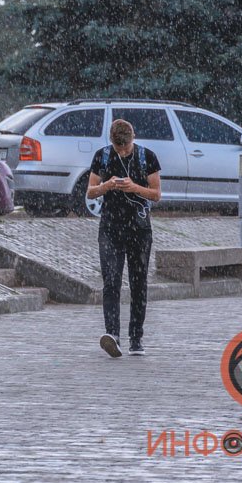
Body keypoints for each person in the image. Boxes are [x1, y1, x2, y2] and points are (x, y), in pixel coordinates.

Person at [86, 119, 161, 358]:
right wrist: (107, 185)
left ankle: (136, 338)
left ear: (133, 138)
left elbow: (156, 194)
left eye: (126, 148)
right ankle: (113, 335)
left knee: (138, 283)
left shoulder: (147, 157)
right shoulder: (103, 157)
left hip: (138, 228)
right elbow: (90, 191)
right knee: (111, 281)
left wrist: (134, 188)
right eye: (119, 148)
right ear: (111, 142)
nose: (123, 151)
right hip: (110, 227)